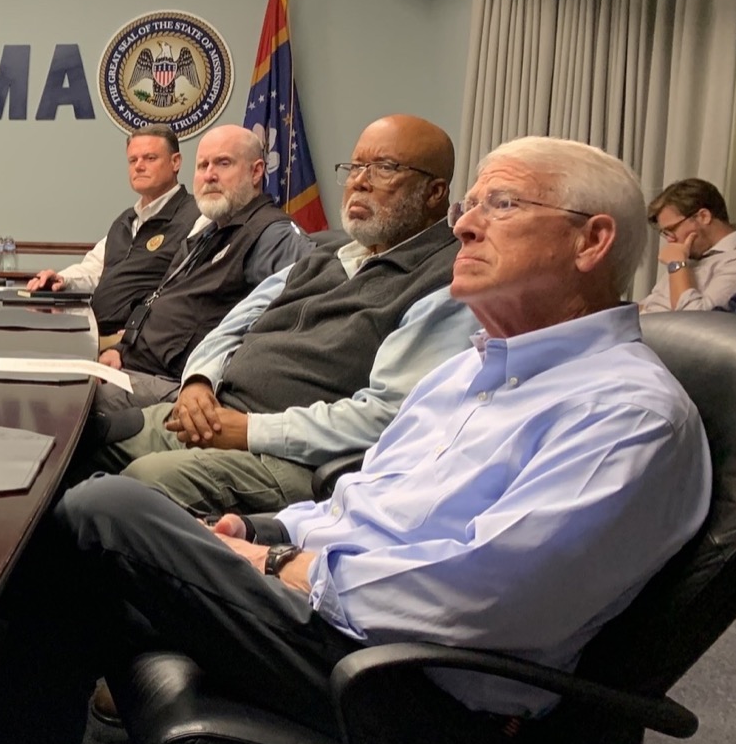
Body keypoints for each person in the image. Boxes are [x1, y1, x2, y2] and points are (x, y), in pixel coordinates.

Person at [0, 136, 711, 744]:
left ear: (592, 242)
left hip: (411, 686)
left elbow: (481, 598)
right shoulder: (471, 372)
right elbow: (363, 503)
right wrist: (260, 526)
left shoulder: (626, 413)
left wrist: (278, 564)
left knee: (102, 509)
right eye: (469, 205)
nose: (468, 225)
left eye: (502, 205)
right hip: (342, 612)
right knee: (87, 553)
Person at [93, 115, 478, 515]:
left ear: (434, 192)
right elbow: (232, 327)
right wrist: (198, 382)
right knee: (83, 443)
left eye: (384, 169)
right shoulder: (329, 254)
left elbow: (387, 416)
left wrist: (250, 432)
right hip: (214, 412)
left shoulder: (446, 281)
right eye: (355, 167)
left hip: (294, 459)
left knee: (137, 485)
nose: (360, 182)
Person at [90, 124, 312, 416]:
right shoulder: (208, 231)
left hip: (182, 387)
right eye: (203, 165)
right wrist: (122, 350)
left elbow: (295, 327)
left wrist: (206, 381)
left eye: (223, 163)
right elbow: (163, 299)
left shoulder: (272, 235)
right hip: (134, 364)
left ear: (256, 172)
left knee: (73, 401)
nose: (209, 175)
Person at [25, 126, 198, 336]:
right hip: (95, 332)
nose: (139, 166)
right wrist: (61, 279)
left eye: (150, 158)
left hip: (137, 341)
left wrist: (134, 337)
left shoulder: (195, 217)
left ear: (175, 162)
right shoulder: (126, 220)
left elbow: (185, 294)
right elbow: (94, 269)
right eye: (133, 160)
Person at [638, 178, 736, 312]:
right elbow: (650, 304)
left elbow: (693, 321)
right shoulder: (692, 253)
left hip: (662, 331)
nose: (670, 240)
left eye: (672, 229)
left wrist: (676, 264)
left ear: (704, 216)